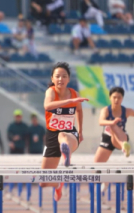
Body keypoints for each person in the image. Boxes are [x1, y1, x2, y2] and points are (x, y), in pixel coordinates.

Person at [41, 62, 88, 201]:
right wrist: (70, 101)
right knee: (43, 182)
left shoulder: (74, 93)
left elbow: (79, 110)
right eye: (57, 76)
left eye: (64, 76)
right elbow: (47, 106)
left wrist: (80, 131)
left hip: (70, 134)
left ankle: (65, 152)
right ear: (52, 79)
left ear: (68, 79)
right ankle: (58, 183)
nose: (60, 79)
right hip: (51, 136)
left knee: (63, 135)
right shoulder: (51, 92)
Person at [94, 87, 134, 162]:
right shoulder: (106, 110)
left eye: (119, 98)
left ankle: (124, 146)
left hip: (122, 137)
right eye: (114, 97)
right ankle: (124, 147)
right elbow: (100, 121)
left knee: (113, 126)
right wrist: (112, 122)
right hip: (107, 139)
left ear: (122, 98)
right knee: (96, 166)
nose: (116, 100)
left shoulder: (126, 111)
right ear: (110, 98)